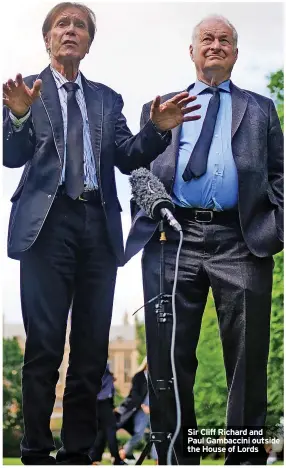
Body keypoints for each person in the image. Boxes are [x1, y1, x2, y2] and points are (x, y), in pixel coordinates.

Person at [2, 2, 202, 464]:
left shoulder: (107, 99)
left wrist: (156, 129)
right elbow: (12, 158)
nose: (70, 31)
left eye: (79, 26)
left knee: (91, 351)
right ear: (47, 38)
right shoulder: (26, 91)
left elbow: (129, 156)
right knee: (45, 348)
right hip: (46, 229)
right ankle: (34, 451)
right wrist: (15, 118)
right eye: (61, 25)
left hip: (97, 226)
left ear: (89, 42)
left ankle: (76, 454)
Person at [125, 14, 284, 466]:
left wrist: (275, 228)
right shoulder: (160, 107)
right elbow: (136, 167)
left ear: (236, 53)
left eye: (225, 40)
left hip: (243, 238)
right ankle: (176, 459)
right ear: (192, 51)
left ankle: (245, 461)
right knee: (169, 360)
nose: (216, 45)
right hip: (172, 238)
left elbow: (280, 176)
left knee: (248, 361)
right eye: (207, 39)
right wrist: (155, 130)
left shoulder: (260, 109)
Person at [115, 358, 157, 463]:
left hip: (155, 411)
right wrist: (143, 407)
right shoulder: (139, 377)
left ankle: (158, 460)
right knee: (138, 434)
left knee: (157, 434)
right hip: (142, 410)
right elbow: (135, 395)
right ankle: (124, 451)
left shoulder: (157, 377)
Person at [89, 364, 124, 465]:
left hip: (99, 404)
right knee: (111, 430)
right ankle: (116, 458)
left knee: (100, 432)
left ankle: (94, 458)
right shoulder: (103, 367)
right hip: (102, 403)